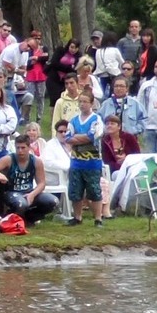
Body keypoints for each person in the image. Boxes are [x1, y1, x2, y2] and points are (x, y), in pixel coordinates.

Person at [0, 134, 56, 225]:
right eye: (17, 148)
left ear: (29, 148)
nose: (20, 151)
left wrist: (32, 194)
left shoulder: (36, 161)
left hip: (29, 190)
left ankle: (30, 217)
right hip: (12, 192)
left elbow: (42, 183)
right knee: (22, 204)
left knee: (52, 201)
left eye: (23, 148)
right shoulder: (9, 159)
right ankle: (13, 217)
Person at [64, 94, 107, 226]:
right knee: (75, 189)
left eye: (85, 101)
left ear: (91, 103)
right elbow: (68, 137)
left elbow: (94, 136)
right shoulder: (74, 120)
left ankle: (98, 218)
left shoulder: (96, 119)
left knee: (94, 190)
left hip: (92, 161)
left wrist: (77, 137)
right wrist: (82, 137)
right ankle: (77, 217)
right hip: (76, 161)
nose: (82, 104)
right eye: (80, 101)